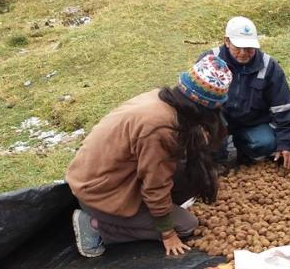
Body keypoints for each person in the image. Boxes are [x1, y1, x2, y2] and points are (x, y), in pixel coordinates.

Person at [65, 55, 233, 257]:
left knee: (196, 172)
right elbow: (155, 184)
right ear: (202, 107)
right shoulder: (160, 127)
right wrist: (167, 232)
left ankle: (147, 213)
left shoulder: (165, 99)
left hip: (116, 176)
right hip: (100, 192)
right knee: (187, 226)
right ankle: (96, 226)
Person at [199, 16, 290, 169]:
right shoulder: (210, 59)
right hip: (217, 121)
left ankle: (245, 151)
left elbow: (282, 107)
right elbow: (194, 99)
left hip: (252, 123)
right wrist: (200, 126)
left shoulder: (269, 66)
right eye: (238, 47)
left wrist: (285, 144)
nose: (243, 53)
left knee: (265, 143)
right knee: (207, 141)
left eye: (249, 48)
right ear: (227, 41)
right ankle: (218, 160)